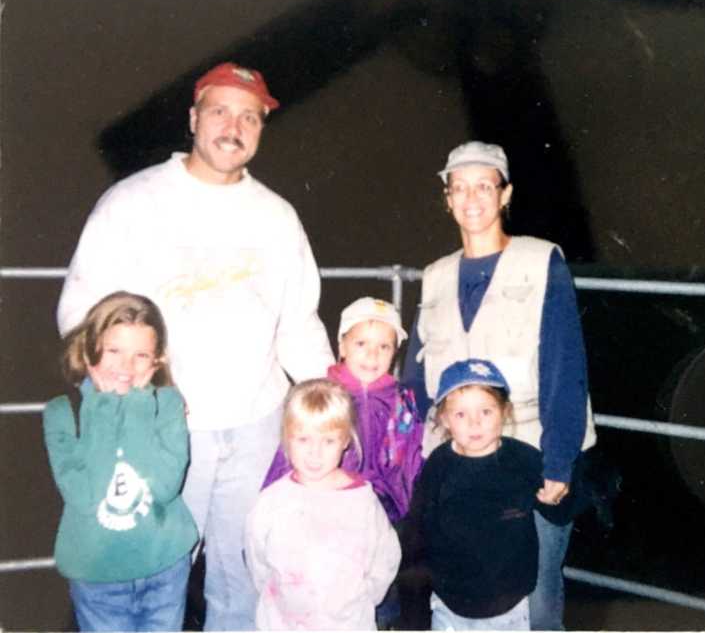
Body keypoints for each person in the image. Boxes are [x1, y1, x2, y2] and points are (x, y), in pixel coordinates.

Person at [56, 62, 334, 630]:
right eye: (221, 111)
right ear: (193, 117)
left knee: (242, 577)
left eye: (250, 117)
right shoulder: (132, 202)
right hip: (163, 431)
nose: (234, 126)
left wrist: (337, 402)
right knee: (158, 577)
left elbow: (298, 323)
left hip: (257, 425)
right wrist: (133, 394)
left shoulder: (277, 216)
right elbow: (81, 312)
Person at [402, 140, 597, 630]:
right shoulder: (435, 276)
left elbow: (564, 365)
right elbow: (417, 377)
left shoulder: (541, 260)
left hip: (531, 448)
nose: (471, 199)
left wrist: (558, 460)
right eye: (459, 188)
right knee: (463, 577)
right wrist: (409, 454)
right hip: (457, 455)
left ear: (504, 194)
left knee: (535, 592)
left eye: (484, 186)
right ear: (446, 198)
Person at [43, 291, 198, 631]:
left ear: (157, 361)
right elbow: (86, 494)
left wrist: (138, 406)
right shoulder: (62, 413)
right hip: (98, 577)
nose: (126, 367)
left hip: (165, 567)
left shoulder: (167, 405)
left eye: (141, 355)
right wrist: (104, 409)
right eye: (114, 351)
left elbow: (165, 486)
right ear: (89, 349)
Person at [406, 358, 576, 630]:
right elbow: (419, 532)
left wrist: (554, 498)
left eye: (485, 411)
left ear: (504, 411)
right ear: (445, 420)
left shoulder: (524, 460)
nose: (474, 423)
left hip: (508, 607)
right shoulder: (438, 465)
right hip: (450, 605)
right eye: (461, 414)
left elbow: (560, 513)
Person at [244, 378, 402, 630]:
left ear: (345, 441)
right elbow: (257, 561)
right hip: (284, 623)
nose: (314, 453)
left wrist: (362, 598)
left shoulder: (362, 500)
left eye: (328, 441)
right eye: (303, 439)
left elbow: (385, 556)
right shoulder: (272, 501)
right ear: (287, 437)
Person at [262, 296, 424, 521]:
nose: (372, 354)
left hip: (382, 512)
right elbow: (287, 456)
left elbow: (412, 463)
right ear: (342, 346)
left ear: (395, 352)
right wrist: (269, 508)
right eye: (361, 344)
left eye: (384, 346)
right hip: (322, 505)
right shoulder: (321, 398)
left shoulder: (402, 403)